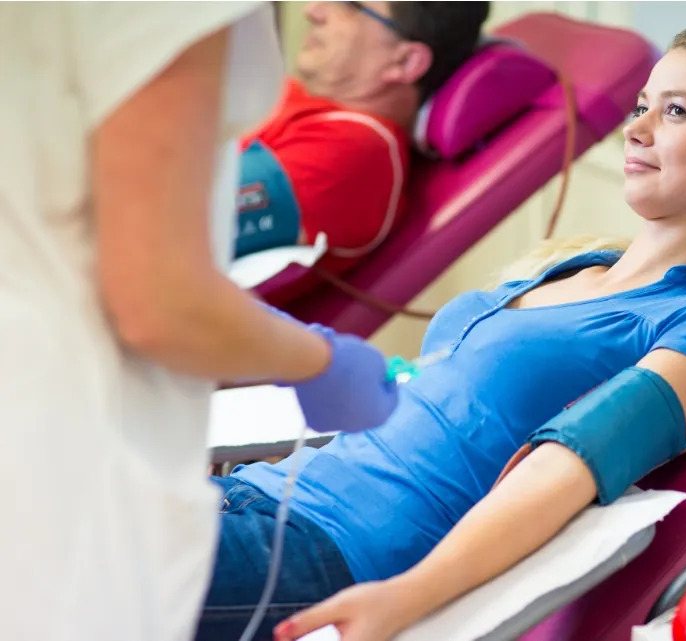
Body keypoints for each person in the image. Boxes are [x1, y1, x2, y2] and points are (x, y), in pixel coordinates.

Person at [197, 27, 686, 641]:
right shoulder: (575, 265)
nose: (636, 129)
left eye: (677, 111)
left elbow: (568, 467)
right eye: (641, 107)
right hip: (259, 493)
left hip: (326, 551)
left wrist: (405, 597)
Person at [0, 4, 396, 641]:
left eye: (358, 5)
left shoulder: (355, 147)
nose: (319, 8)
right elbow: (163, 297)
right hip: (55, 439)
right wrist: (319, 361)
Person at [234, 1, 491, 277]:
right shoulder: (296, 101)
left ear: (405, 61)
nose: (314, 10)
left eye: (351, 6)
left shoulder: (355, 150)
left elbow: (189, 214)